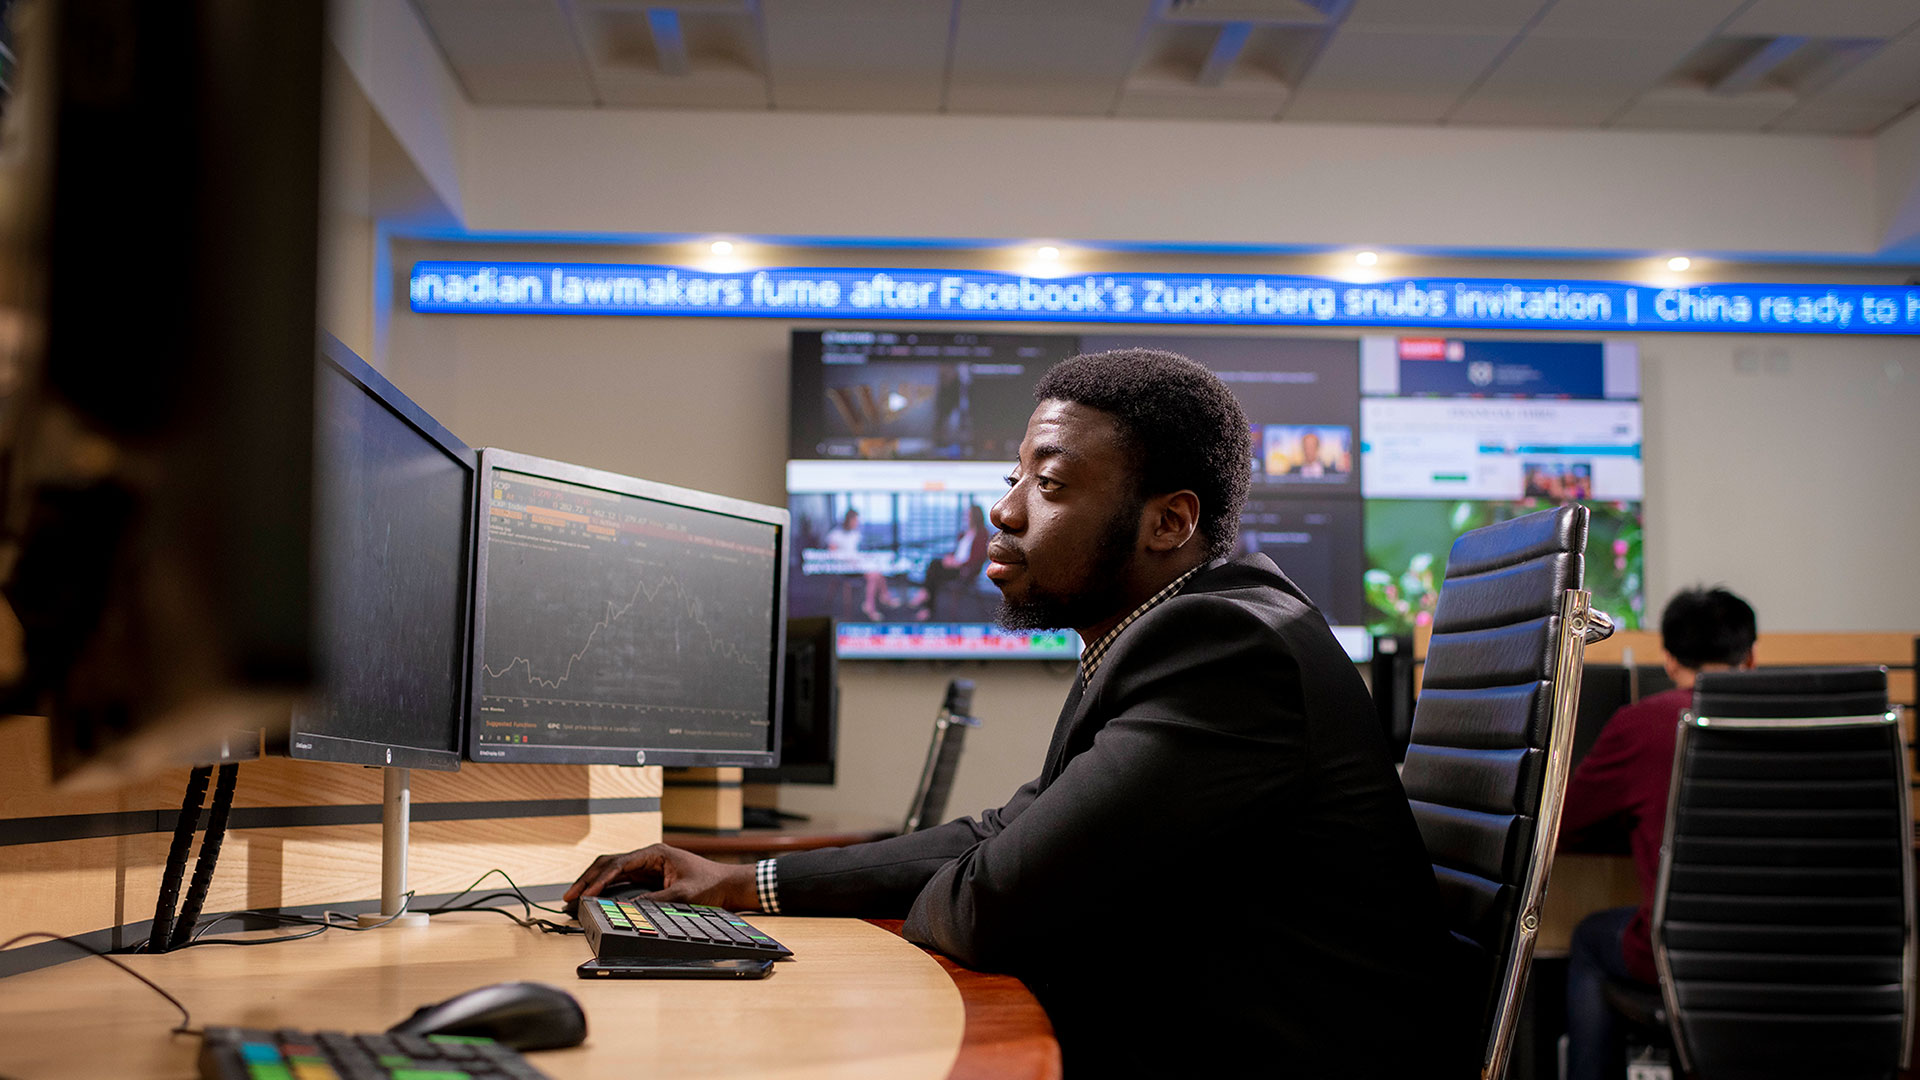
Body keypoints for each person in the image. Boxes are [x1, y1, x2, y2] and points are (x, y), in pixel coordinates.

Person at [566, 349, 1456, 1077]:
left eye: (1053, 487)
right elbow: (1004, 833)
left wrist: (975, 884)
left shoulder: (1224, 654)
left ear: (1168, 521)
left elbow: (998, 900)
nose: (1004, 510)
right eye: (1015, 476)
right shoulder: (1186, 629)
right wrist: (744, 883)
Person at [1559, 586, 1758, 1080]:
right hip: (1800, 952)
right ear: (1750, 657)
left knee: (1588, 940)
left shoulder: (1644, 723)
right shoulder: (1806, 718)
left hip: (1685, 955)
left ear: (1669, 660)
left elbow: (1563, 824)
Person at [910, 502, 988, 620]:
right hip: (956, 566)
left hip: (965, 570)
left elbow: (978, 557)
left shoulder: (982, 534)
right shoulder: (965, 533)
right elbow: (958, 552)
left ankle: (926, 602)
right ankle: (926, 603)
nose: (966, 518)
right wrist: (950, 558)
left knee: (934, 571)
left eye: (968, 515)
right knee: (934, 567)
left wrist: (958, 563)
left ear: (975, 516)